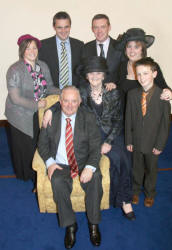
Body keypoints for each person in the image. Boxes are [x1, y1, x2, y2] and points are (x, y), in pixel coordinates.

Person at [43, 57, 135, 221]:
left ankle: (125, 200)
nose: (94, 76)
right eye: (91, 73)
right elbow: (66, 101)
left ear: (104, 75)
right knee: (108, 160)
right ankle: (114, 196)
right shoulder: (82, 91)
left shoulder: (113, 92)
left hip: (111, 133)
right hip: (89, 133)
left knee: (123, 157)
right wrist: (50, 109)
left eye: (98, 73)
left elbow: (118, 120)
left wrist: (108, 141)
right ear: (86, 76)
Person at [37, 86, 103, 249]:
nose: (69, 105)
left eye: (74, 101)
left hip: (83, 162)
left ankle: (93, 223)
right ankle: (70, 224)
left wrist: (90, 166)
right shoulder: (51, 117)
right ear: (60, 102)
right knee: (57, 182)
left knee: (95, 179)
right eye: (66, 100)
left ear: (80, 102)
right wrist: (50, 163)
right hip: (60, 164)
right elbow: (42, 144)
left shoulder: (88, 117)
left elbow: (96, 146)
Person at [5, 34, 59, 190]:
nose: (31, 51)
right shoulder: (15, 69)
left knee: (39, 142)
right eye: (28, 48)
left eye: (34, 47)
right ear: (22, 50)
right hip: (19, 114)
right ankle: (28, 175)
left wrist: (63, 91)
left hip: (39, 111)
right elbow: (15, 98)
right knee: (26, 146)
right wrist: (37, 104)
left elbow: (48, 87)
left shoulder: (42, 65)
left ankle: (39, 172)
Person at [125, 57, 171, 207]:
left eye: (145, 73)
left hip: (153, 142)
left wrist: (160, 145)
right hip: (137, 140)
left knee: (152, 169)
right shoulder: (132, 94)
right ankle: (136, 190)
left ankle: (150, 193)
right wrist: (129, 140)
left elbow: (165, 124)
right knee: (136, 167)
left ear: (154, 74)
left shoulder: (162, 96)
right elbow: (128, 120)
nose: (142, 78)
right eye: (139, 74)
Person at [117, 28, 172, 101]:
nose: (132, 51)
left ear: (142, 49)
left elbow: (163, 87)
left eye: (136, 47)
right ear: (125, 49)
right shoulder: (121, 66)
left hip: (147, 111)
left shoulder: (151, 66)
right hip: (125, 112)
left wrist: (169, 93)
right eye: (129, 46)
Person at [38, 11, 84, 88]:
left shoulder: (79, 45)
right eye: (59, 27)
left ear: (70, 27)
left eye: (66, 27)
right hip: (52, 94)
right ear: (54, 27)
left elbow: (82, 71)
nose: (63, 31)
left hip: (74, 94)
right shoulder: (43, 46)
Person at [83, 14, 122, 90]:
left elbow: (124, 73)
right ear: (92, 29)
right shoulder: (85, 48)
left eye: (103, 27)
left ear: (109, 27)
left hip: (115, 95)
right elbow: (83, 74)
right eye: (96, 27)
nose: (99, 31)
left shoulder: (119, 47)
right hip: (92, 96)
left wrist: (115, 85)